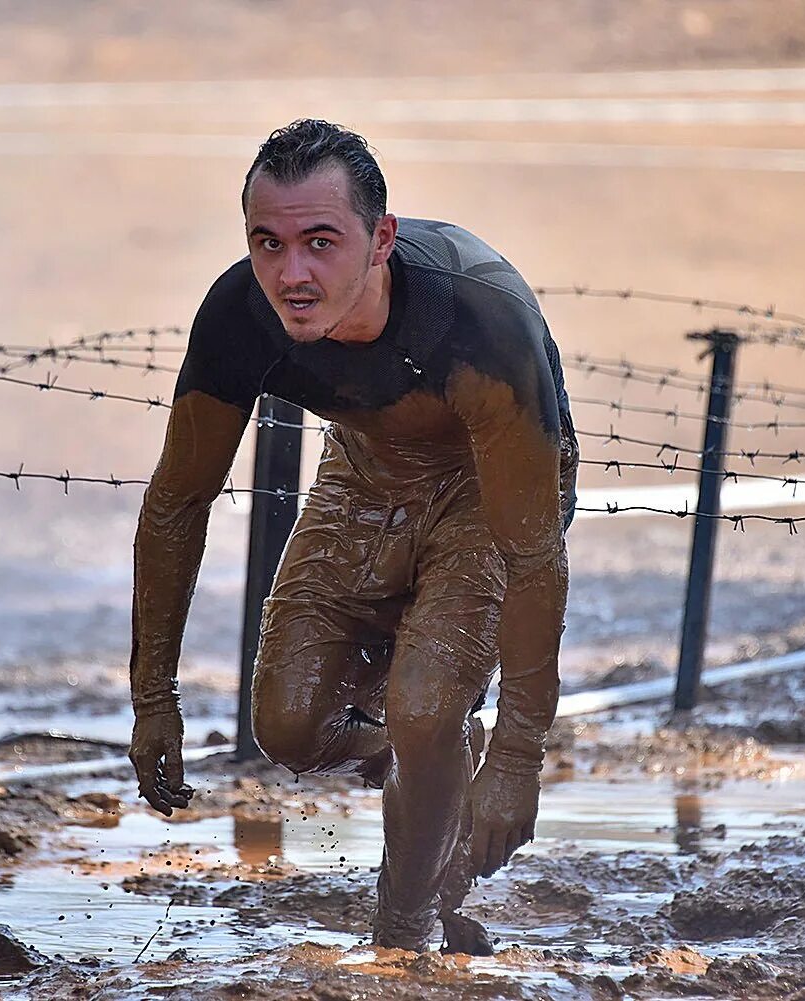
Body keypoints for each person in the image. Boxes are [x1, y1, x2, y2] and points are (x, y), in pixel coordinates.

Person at [127, 118, 578, 954]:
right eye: (268, 241)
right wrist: (154, 698)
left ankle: (404, 932)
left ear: (381, 241)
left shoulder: (480, 323)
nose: (290, 274)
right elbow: (177, 501)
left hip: (492, 481)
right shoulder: (239, 314)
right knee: (289, 726)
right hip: (365, 469)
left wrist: (519, 755)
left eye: (320, 242)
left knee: (424, 699)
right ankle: (428, 760)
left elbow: (532, 555)